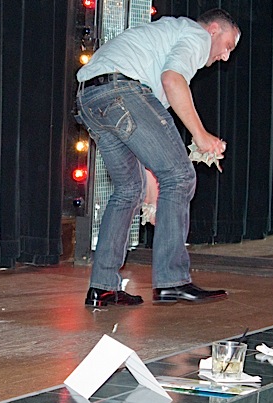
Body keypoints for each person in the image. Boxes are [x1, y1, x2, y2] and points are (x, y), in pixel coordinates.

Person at [74, 8, 241, 307]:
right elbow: (173, 80)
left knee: (129, 190)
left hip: (91, 98)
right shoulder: (196, 34)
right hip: (122, 91)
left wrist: (153, 200)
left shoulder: (163, 42)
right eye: (228, 45)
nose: (226, 57)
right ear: (214, 29)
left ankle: (102, 287)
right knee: (181, 176)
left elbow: (147, 145)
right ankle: (172, 280)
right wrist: (201, 136)